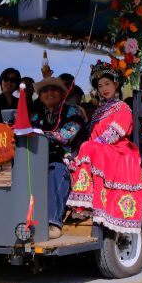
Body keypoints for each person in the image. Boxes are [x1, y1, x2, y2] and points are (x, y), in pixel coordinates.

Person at [67, 62, 142, 234]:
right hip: (99, 149)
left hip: (117, 149)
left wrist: (91, 147)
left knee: (88, 146)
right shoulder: (98, 112)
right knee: (81, 150)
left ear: (116, 85)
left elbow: (113, 134)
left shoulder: (122, 107)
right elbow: (91, 135)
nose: (103, 89)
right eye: (100, 86)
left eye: (107, 84)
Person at [31, 75, 85, 239]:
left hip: (69, 164)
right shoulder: (37, 116)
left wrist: (43, 136)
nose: (49, 92)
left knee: (56, 169)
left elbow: (66, 135)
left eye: (54, 88)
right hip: (42, 161)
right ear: (40, 97)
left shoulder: (73, 111)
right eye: (44, 90)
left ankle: (53, 223)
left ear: (62, 93)